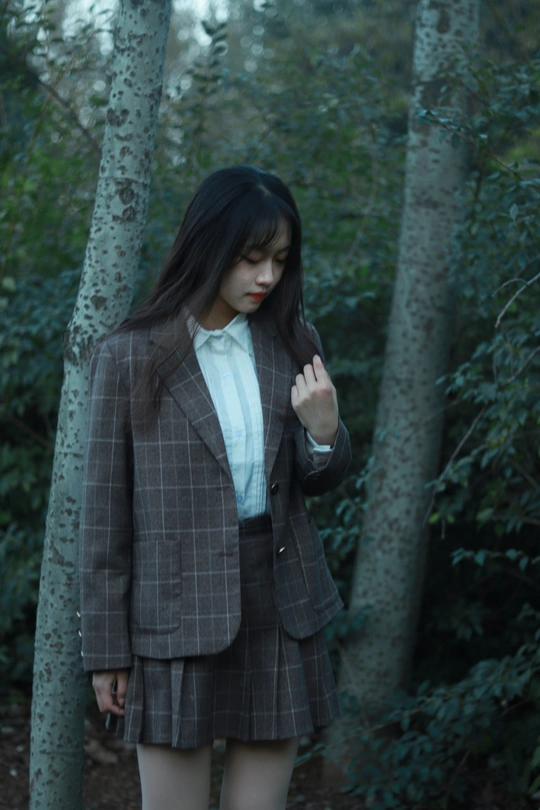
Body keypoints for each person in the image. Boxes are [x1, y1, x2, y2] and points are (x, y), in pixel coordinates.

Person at [79, 165, 351, 810]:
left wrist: (324, 433)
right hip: (174, 614)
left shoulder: (294, 342)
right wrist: (106, 650)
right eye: (252, 258)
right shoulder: (129, 356)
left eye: (280, 259)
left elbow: (319, 478)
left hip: (280, 604)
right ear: (208, 247)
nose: (267, 277)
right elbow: (104, 516)